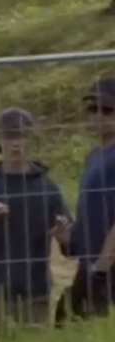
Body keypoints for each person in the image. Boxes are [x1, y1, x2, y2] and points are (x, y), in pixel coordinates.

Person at [0, 108, 71, 335]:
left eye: (21, 136)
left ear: (31, 140)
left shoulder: (48, 188)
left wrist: (64, 235)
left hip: (35, 293)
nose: (16, 143)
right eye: (9, 136)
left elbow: (70, 245)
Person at [63, 78, 115, 318]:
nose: (98, 115)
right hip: (88, 263)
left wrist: (103, 265)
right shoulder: (95, 156)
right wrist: (69, 235)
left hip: (106, 267)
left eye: (107, 110)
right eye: (92, 109)